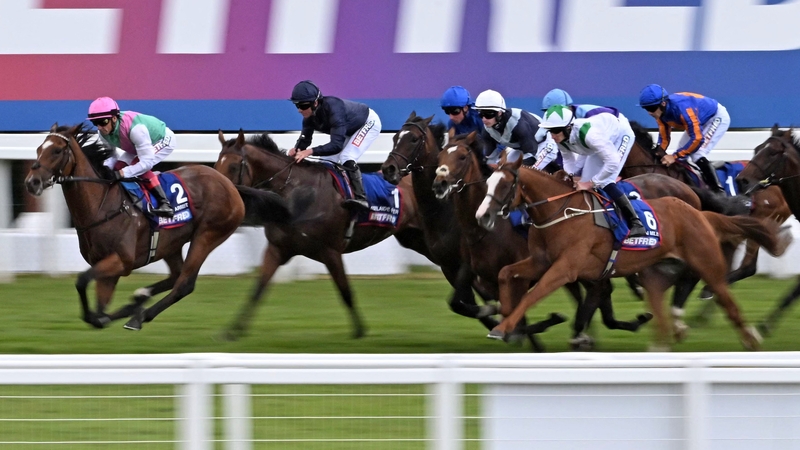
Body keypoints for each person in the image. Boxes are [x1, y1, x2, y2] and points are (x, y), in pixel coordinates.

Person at [539, 104, 646, 237]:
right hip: (599, 142)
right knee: (584, 182)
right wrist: (571, 177)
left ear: (568, 128)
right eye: (550, 131)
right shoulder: (561, 137)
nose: (552, 136)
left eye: (555, 131)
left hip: (620, 133)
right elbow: (568, 161)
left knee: (605, 181)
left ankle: (636, 222)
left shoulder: (590, 135)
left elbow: (613, 162)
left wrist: (590, 183)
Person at [287, 80, 381, 211]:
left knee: (347, 156)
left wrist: (310, 152)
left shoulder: (334, 110)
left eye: (303, 106)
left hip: (367, 123)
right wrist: (297, 149)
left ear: (315, 103)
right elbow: (305, 139)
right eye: (296, 105)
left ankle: (361, 198)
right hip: (347, 128)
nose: (299, 110)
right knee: (325, 162)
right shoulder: (308, 117)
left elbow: (336, 145)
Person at [87, 97, 175, 217]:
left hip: (162, 139)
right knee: (117, 167)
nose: (99, 127)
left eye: (103, 122)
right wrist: (105, 171)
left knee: (136, 165)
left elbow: (146, 163)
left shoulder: (136, 130)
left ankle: (165, 204)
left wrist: (123, 173)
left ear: (114, 118)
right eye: (95, 123)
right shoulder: (102, 133)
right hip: (135, 145)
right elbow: (112, 157)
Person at [637, 84, 729, 193]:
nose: (649, 112)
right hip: (698, 121)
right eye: (646, 108)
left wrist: (674, 156)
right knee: (681, 150)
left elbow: (698, 139)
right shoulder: (661, 112)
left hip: (715, 117)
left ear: (663, 103)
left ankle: (719, 192)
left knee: (697, 153)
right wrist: (659, 150)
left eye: (651, 108)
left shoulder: (684, 109)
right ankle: (690, 185)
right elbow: (664, 135)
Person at [473, 89, 560, 173]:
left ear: (499, 113)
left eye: (488, 114)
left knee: (524, 173)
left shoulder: (518, 125)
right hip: (522, 148)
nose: (484, 119)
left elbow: (531, 155)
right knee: (502, 172)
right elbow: (491, 160)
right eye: (481, 113)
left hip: (543, 144)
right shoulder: (487, 130)